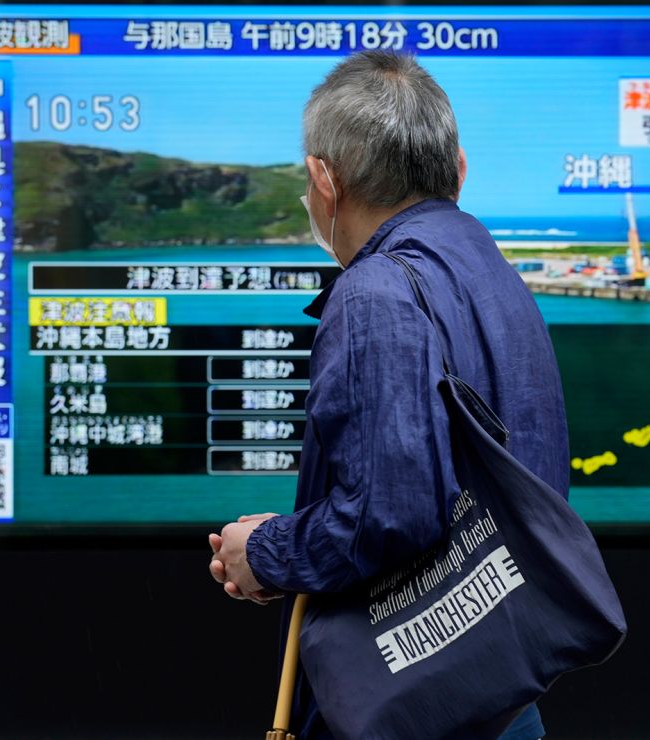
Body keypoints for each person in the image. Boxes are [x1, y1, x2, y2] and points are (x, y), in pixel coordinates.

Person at [209, 50, 569, 740]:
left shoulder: (374, 292)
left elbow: (391, 515)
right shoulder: (493, 273)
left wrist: (264, 552)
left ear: (325, 179)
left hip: (415, 705)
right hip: (500, 692)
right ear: (458, 169)